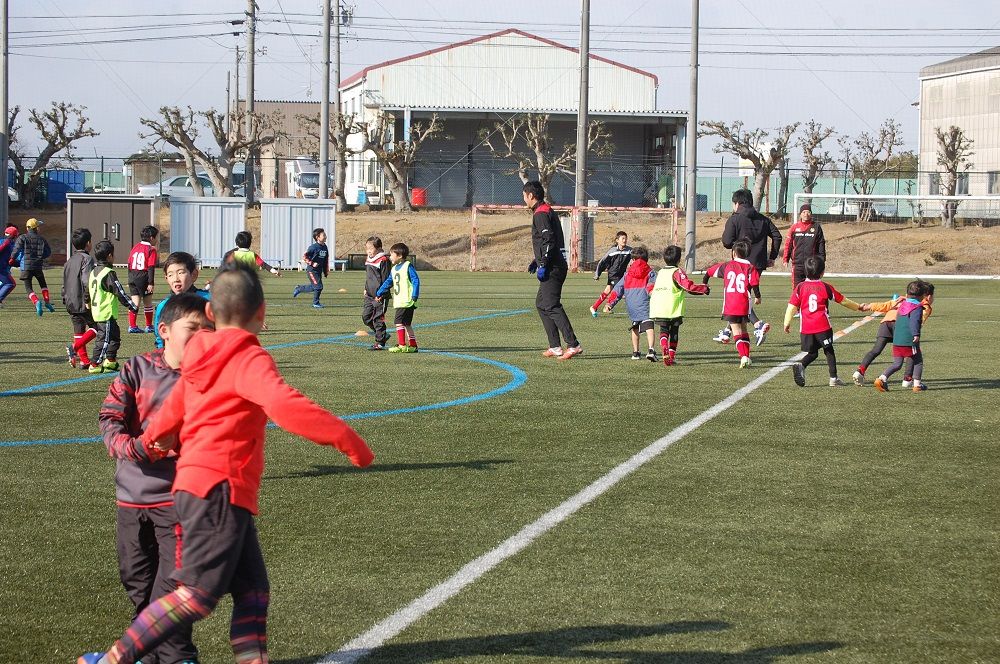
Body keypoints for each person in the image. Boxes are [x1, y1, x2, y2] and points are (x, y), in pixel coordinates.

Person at [77, 263, 375, 664]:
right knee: (195, 595)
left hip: (200, 487)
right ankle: (115, 660)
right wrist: (352, 444)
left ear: (210, 313)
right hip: (219, 488)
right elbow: (287, 407)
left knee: (253, 591)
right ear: (262, 313)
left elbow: (178, 402)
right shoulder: (249, 358)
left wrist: (153, 437)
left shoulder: (200, 355)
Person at [97, 293, 211, 664]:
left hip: (178, 502)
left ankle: (179, 655)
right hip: (131, 498)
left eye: (208, 332)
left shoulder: (209, 381)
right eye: (193, 329)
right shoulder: (137, 369)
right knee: (137, 579)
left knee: (173, 587)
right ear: (164, 331)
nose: (201, 338)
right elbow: (110, 418)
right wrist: (135, 448)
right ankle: (145, 653)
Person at [782, 255, 863, 387]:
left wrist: (787, 322)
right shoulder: (825, 287)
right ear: (822, 272)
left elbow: (791, 307)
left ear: (805, 271)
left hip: (806, 328)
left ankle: (801, 365)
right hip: (822, 327)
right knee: (828, 350)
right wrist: (857, 307)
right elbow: (842, 300)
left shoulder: (800, 287)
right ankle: (833, 378)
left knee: (813, 353)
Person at [523, 180, 582, 360]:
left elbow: (548, 240)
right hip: (553, 263)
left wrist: (543, 264)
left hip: (553, 267)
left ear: (531, 196)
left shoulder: (541, 213)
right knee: (541, 304)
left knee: (551, 305)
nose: (524, 199)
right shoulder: (545, 210)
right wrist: (537, 260)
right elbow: (548, 241)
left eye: (524, 196)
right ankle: (555, 346)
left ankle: (573, 344)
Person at [717, 189, 782, 346]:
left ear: (737, 203)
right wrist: (772, 257)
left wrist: (736, 245)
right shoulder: (763, 219)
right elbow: (777, 236)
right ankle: (727, 331)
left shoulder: (735, 219)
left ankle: (758, 325)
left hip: (740, 264)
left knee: (740, 298)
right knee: (742, 297)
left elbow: (726, 242)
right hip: (757, 264)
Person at [853, 281, 934, 387]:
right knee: (911, 352)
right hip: (900, 327)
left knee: (876, 350)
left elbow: (886, 305)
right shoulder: (922, 307)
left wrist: (869, 306)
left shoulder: (902, 300)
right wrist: (915, 333)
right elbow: (918, 321)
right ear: (928, 296)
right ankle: (907, 379)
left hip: (886, 323)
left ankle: (860, 371)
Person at [702, 239, 760, 368]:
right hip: (744, 304)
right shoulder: (750, 267)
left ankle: (743, 357)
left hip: (730, 305)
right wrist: (758, 296)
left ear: (733, 253)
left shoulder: (726, 266)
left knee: (736, 332)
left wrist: (705, 284)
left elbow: (709, 272)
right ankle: (747, 356)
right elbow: (755, 283)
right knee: (744, 330)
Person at [649, 244, 711, 366]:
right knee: (674, 332)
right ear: (679, 259)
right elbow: (687, 286)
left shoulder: (660, 272)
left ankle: (664, 347)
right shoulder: (677, 272)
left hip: (658, 307)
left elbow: (651, 286)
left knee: (663, 330)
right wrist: (704, 289)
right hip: (672, 307)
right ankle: (671, 357)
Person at [88, 240, 140, 374]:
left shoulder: (93, 272)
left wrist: (87, 301)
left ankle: (110, 361)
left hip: (99, 311)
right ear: (110, 256)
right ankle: (94, 363)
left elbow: (87, 290)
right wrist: (131, 306)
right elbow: (119, 291)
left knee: (114, 337)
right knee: (104, 340)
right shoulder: (108, 273)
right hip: (105, 312)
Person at [873, 280, 930, 393]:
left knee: (897, 364)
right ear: (922, 296)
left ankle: (882, 378)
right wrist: (916, 334)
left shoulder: (902, 305)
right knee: (918, 361)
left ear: (907, 293)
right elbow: (914, 322)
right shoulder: (917, 307)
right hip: (909, 340)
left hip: (897, 339)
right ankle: (917, 385)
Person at [604, 246, 658, 361]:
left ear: (633, 260)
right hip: (644, 302)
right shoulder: (650, 272)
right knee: (649, 325)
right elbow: (652, 286)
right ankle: (651, 350)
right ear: (646, 259)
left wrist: (610, 303)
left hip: (631, 304)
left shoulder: (627, 274)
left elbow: (618, 289)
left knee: (635, 327)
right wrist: (653, 294)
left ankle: (635, 352)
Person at [153, 252, 211, 350]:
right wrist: (163, 352)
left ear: (194, 275)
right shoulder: (163, 306)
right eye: (170, 275)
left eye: (180, 273)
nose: (176, 279)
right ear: (166, 278)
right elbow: (159, 338)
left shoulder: (208, 300)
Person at [375, 242, 420, 353]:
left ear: (399, 256)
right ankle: (413, 345)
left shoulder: (408, 266)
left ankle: (402, 345)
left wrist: (415, 294)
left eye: (392, 254)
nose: (390, 257)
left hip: (406, 300)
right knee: (407, 324)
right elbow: (388, 282)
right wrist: (379, 292)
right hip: (401, 301)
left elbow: (415, 280)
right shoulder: (394, 269)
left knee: (399, 323)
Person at [63, 228, 97, 370]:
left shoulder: (69, 260)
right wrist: (88, 299)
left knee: (79, 330)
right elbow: (86, 281)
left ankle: (84, 361)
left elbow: (64, 282)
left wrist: (64, 298)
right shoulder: (87, 259)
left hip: (70, 300)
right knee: (97, 328)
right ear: (88, 243)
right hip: (82, 300)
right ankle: (74, 347)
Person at [13, 217, 54, 316]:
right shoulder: (42, 239)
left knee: (28, 288)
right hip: (38, 266)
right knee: (43, 285)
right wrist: (40, 257)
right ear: (36, 228)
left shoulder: (22, 238)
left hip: (26, 267)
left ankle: (36, 301)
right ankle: (47, 302)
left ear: (27, 228)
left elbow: (16, 250)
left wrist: (12, 258)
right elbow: (48, 252)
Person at [782, 204, 826, 288]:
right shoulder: (794, 227)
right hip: (797, 264)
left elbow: (821, 244)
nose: (806, 214)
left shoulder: (816, 227)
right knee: (797, 288)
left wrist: (822, 260)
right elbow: (788, 244)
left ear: (811, 214)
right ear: (800, 214)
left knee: (812, 287)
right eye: (804, 212)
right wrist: (785, 259)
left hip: (811, 264)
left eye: (808, 212)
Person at [589, 231, 632, 317]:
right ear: (617, 240)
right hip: (613, 275)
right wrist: (597, 274)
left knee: (607, 291)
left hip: (621, 275)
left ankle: (594, 307)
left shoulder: (629, 250)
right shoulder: (612, 251)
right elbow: (602, 262)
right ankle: (608, 306)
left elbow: (636, 257)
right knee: (621, 291)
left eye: (625, 238)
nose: (624, 240)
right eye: (623, 238)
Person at [126, 225, 159, 334]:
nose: (157, 240)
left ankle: (132, 326)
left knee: (135, 302)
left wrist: (130, 278)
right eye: (156, 237)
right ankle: (149, 326)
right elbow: (150, 267)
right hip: (143, 276)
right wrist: (150, 283)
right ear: (151, 238)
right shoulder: (151, 250)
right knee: (147, 302)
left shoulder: (135, 247)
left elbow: (129, 264)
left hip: (132, 276)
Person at [362, 236, 391, 350]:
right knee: (366, 317)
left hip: (379, 296)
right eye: (367, 248)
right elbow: (368, 277)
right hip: (369, 295)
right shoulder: (369, 259)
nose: (368, 251)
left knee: (378, 319)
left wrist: (381, 294)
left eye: (371, 248)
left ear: (378, 248)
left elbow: (387, 279)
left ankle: (380, 342)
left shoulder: (383, 260)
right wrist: (366, 288)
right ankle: (383, 335)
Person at [291, 227, 329, 308]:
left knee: (315, 286)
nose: (326, 236)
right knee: (319, 287)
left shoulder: (325, 247)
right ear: (317, 237)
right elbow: (305, 257)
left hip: (318, 271)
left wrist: (325, 271)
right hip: (312, 271)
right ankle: (316, 303)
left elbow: (326, 260)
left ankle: (299, 288)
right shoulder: (313, 247)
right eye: (324, 235)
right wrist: (312, 263)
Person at [0, 224, 18, 306]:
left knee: (6, 283)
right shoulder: (7, 242)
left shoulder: (4, 241)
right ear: (14, 236)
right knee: (10, 283)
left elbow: (9, 260)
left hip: (3, 268)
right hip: (1, 269)